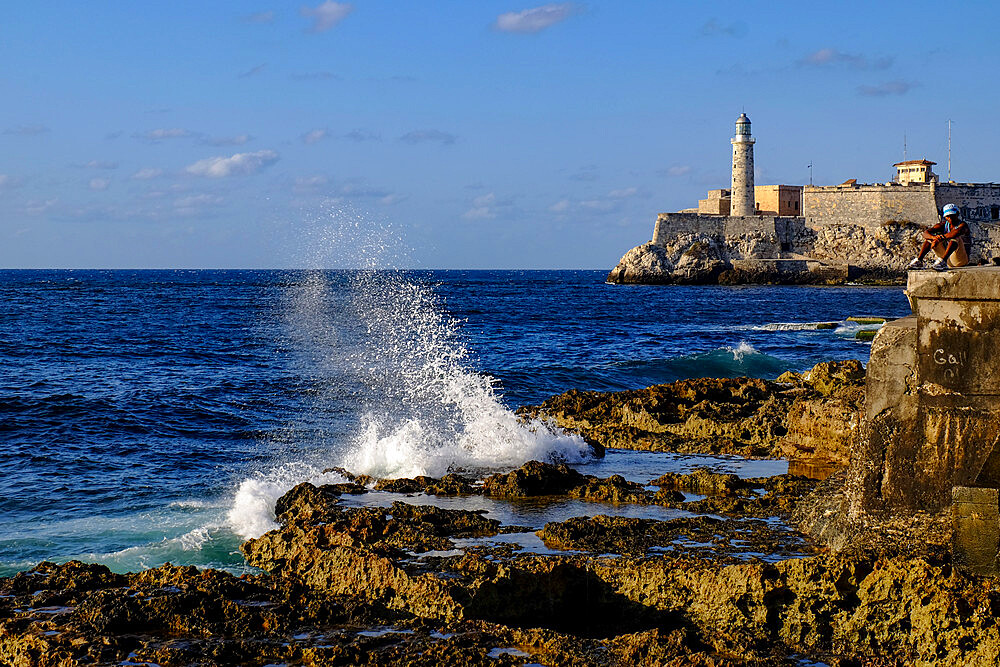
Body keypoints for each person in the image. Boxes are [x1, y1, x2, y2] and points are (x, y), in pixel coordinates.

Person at [907, 203, 972, 271]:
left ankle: (943, 261)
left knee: (956, 238)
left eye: (952, 215)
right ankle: (919, 260)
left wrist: (940, 238)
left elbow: (956, 233)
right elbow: (925, 233)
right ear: (945, 217)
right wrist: (934, 238)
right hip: (948, 260)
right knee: (930, 238)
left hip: (960, 261)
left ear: (957, 214)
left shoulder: (963, 225)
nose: (950, 218)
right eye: (948, 216)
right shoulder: (943, 225)